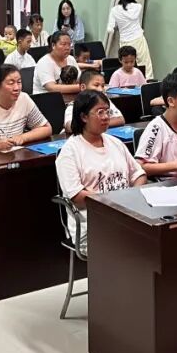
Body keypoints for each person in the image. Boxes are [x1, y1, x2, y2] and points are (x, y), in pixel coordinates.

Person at [55, 90, 146, 251]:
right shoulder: (70, 152)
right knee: (135, 249)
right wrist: (113, 202)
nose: (106, 117)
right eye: (100, 112)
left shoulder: (115, 143)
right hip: (92, 226)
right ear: (84, 117)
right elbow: (77, 196)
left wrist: (131, 197)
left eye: (108, 112)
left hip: (126, 217)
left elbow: (139, 174)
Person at [106, 0, 153, 75]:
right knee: (145, 64)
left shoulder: (114, 10)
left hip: (124, 41)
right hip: (138, 38)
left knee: (127, 66)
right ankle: (148, 82)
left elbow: (110, 29)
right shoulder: (138, 7)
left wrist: (118, 27)